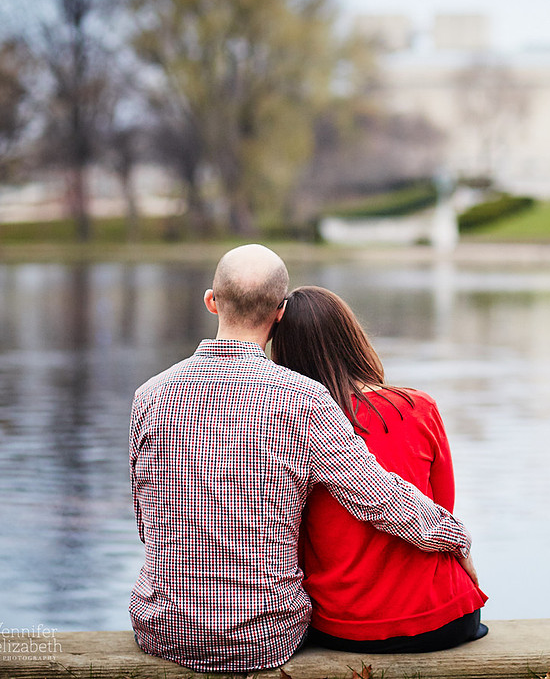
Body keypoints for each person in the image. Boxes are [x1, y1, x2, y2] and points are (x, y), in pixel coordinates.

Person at [129, 244, 474, 672]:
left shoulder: (149, 396)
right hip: (264, 636)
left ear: (211, 301)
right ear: (279, 313)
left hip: (160, 628)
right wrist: (454, 537)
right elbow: (379, 498)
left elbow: (145, 523)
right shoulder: (304, 400)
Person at [270, 285, 488, 653]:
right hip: (445, 617)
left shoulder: (289, 424)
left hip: (343, 625)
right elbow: (441, 508)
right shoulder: (420, 408)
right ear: (352, 337)